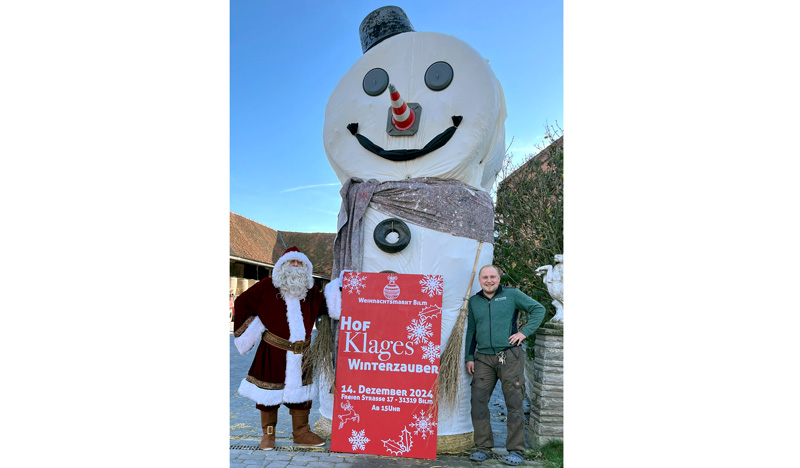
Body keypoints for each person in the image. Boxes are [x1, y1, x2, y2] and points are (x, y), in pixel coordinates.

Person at [233, 246, 328, 450]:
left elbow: (326, 307)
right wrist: (255, 326)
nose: (295, 266)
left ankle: (301, 432)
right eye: (291, 262)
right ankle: (268, 435)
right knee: (268, 393)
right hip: (273, 349)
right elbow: (241, 302)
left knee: (302, 394)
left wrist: (341, 292)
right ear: (282, 266)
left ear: (305, 267)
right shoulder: (267, 286)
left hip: (303, 353)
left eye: (299, 263)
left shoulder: (311, 291)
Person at [465, 265, 546, 466]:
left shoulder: (512, 295)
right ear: (480, 280)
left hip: (509, 356)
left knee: (514, 403)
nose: (489, 280)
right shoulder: (475, 301)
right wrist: (469, 356)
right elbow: (472, 330)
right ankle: (484, 447)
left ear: (499, 278)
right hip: (483, 358)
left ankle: (516, 450)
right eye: (485, 277)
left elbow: (538, 309)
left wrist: (524, 333)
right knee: (478, 402)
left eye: (493, 276)